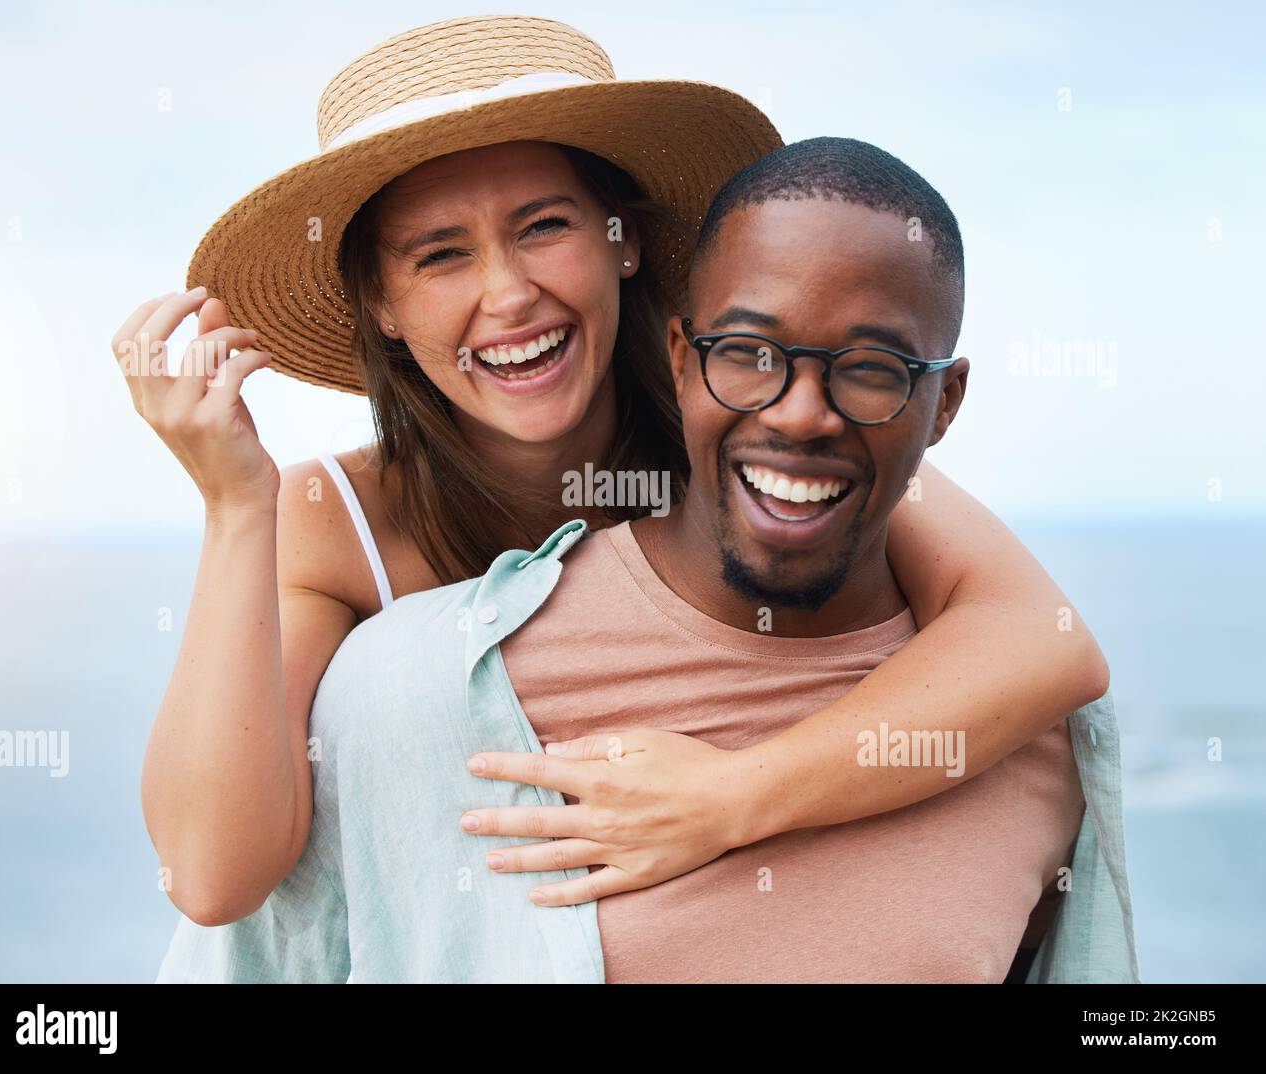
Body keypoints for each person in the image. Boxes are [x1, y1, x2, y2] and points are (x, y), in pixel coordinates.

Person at [118, 16, 1108, 932]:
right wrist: (235, 503)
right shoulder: (335, 516)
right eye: (440, 255)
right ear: (381, 301)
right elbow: (212, 877)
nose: (509, 295)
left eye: (545, 226)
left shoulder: (738, 433)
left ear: (623, 242)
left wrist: (733, 796)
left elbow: (1043, 642)